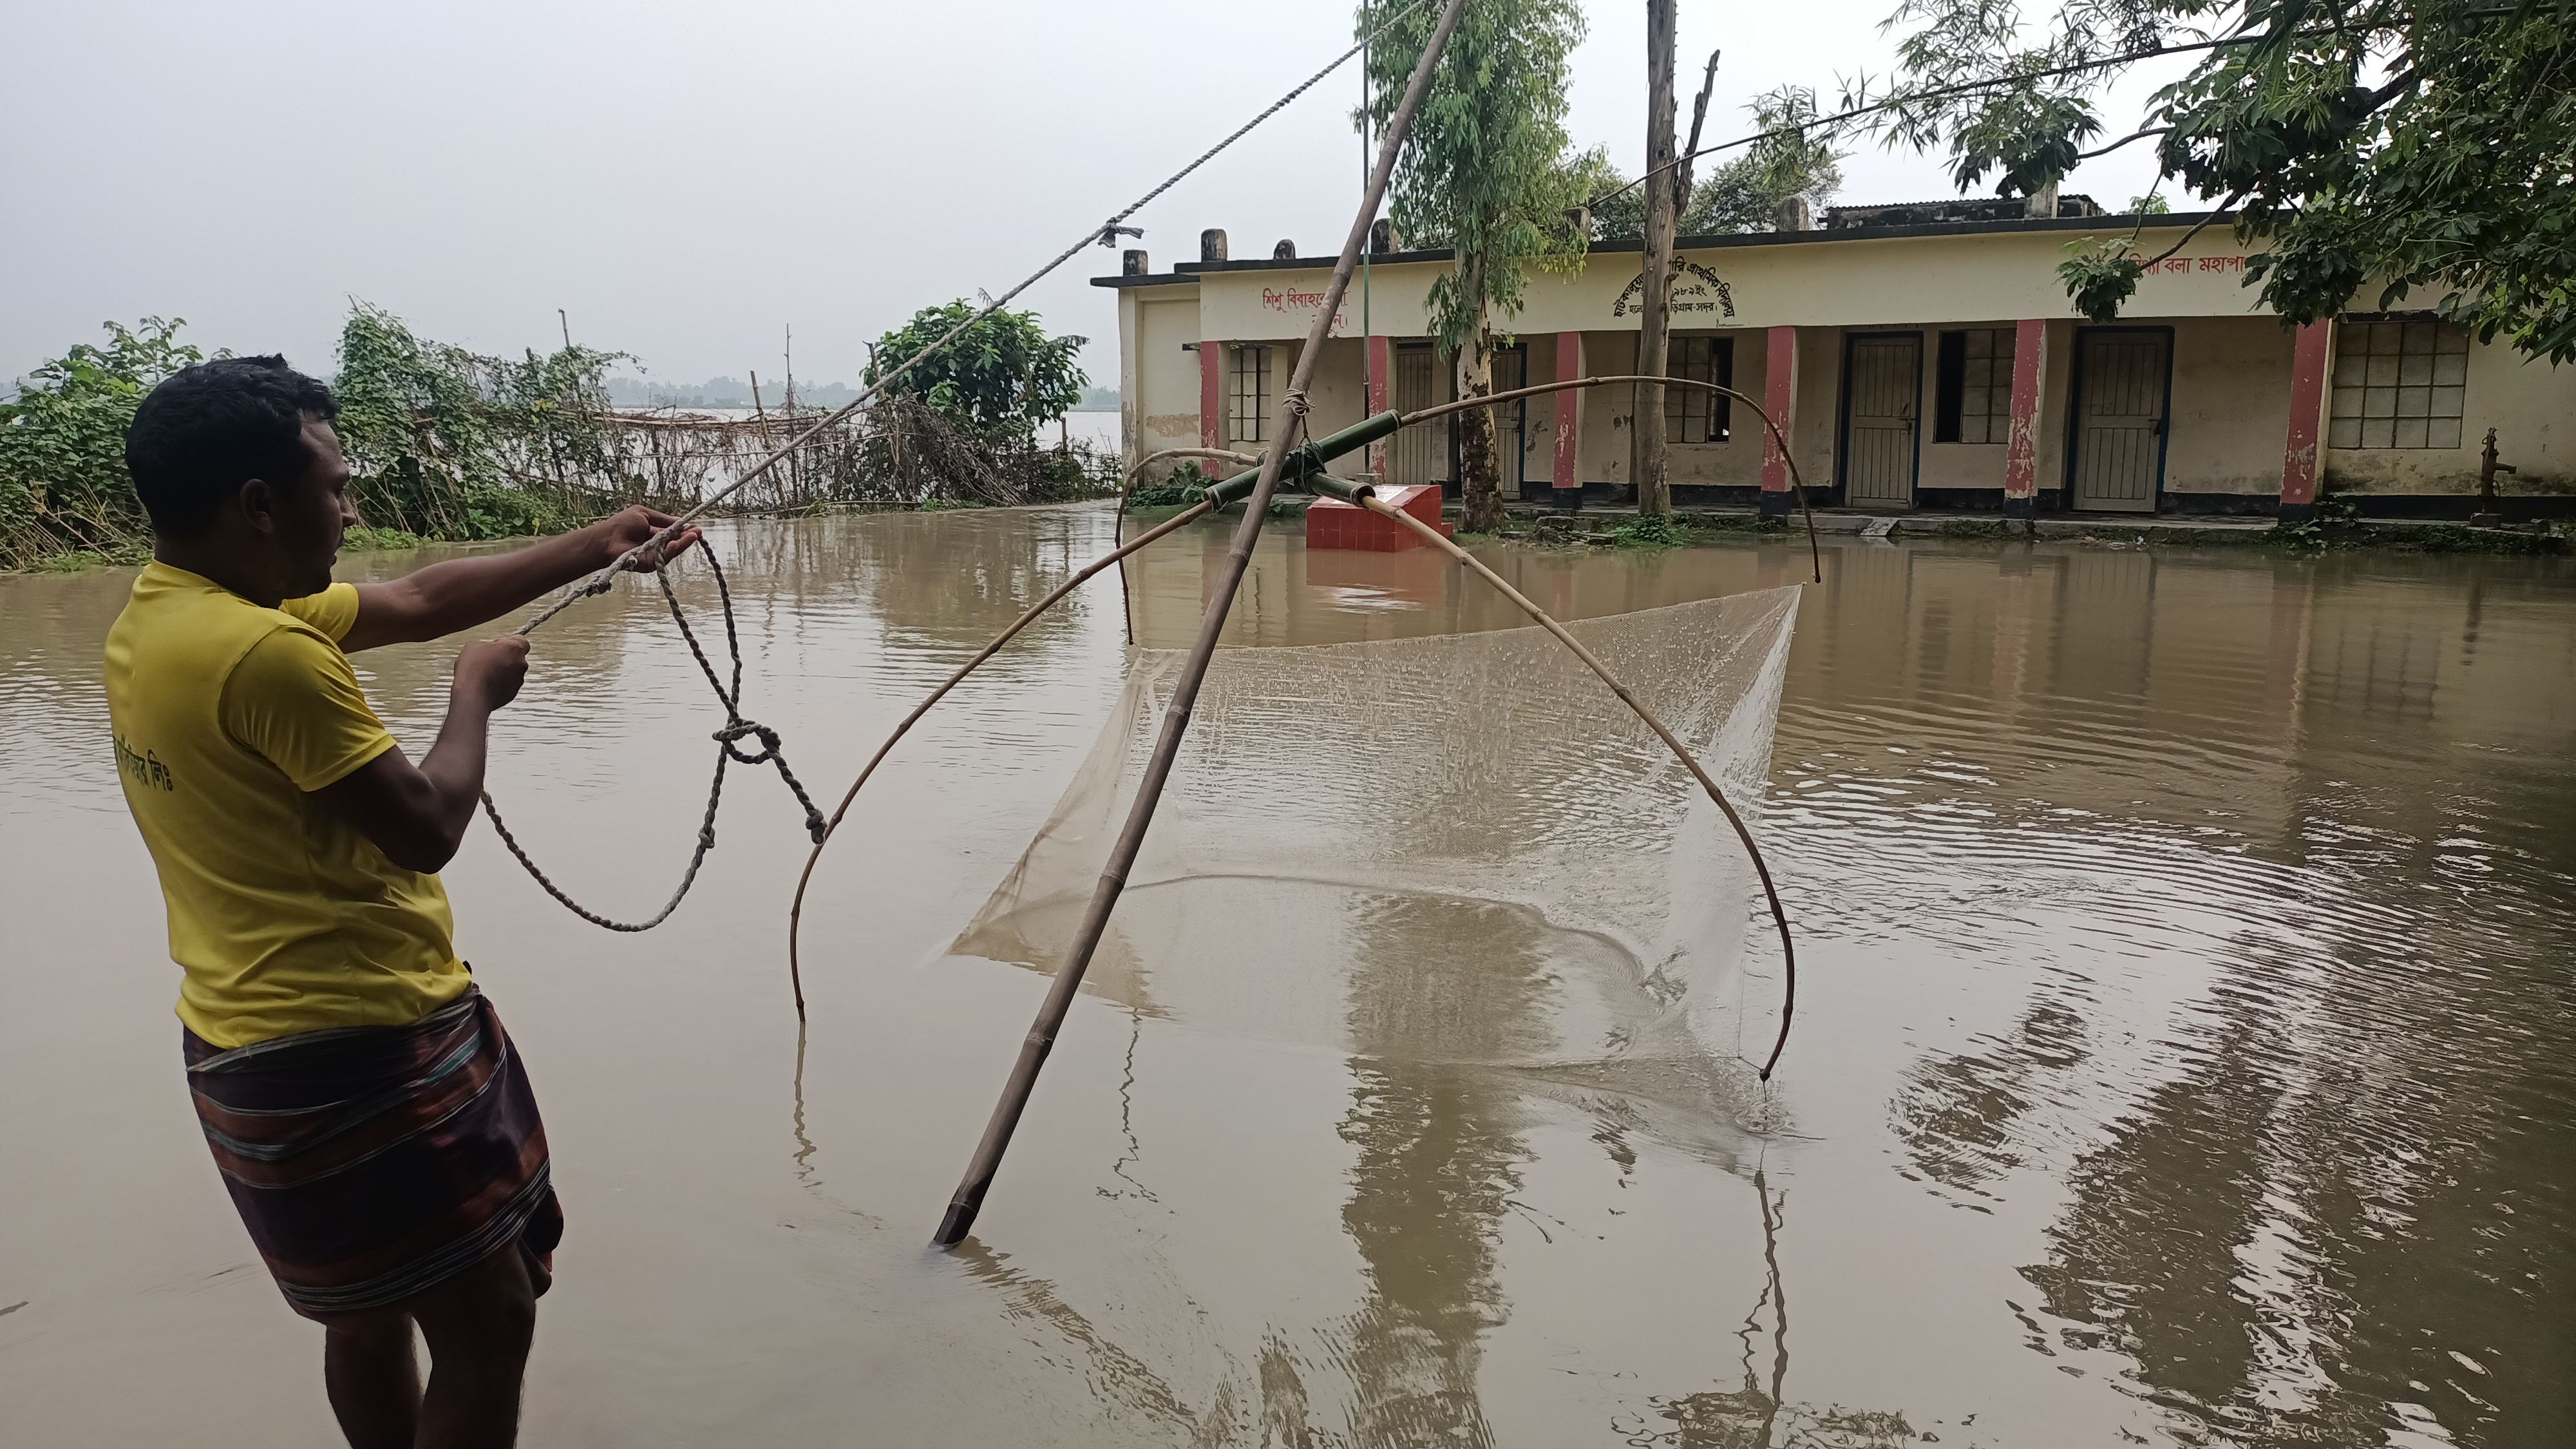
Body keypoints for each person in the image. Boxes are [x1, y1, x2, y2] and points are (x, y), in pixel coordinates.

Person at [105, 355, 697, 1448]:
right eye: (334, 485)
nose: (350, 506)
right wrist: (477, 692)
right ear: (258, 505)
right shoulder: (268, 654)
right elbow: (426, 826)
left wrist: (594, 540)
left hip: (242, 1047)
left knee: (365, 1314)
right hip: (363, 1046)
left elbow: (419, 599)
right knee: (491, 1328)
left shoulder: (161, 619)